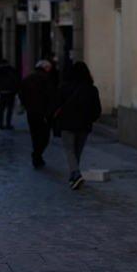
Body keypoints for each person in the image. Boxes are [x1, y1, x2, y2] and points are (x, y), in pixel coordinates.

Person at [53, 61, 101, 190]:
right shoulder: (91, 89)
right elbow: (97, 110)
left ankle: (76, 174)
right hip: (84, 125)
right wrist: (90, 119)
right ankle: (73, 176)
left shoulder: (64, 88)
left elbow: (56, 105)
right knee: (76, 152)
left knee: (70, 151)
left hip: (67, 124)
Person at [19, 60, 54, 168]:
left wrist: (26, 105)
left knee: (35, 135)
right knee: (45, 136)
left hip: (31, 111)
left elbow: (21, 94)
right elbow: (51, 96)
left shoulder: (27, 79)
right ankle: (37, 155)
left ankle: (37, 156)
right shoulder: (46, 79)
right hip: (43, 112)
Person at [0, 59, 19, 130]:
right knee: (9, 109)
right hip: (10, 92)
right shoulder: (11, 70)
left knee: (1, 109)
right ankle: (8, 124)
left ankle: (1, 124)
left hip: (2, 92)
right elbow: (15, 80)